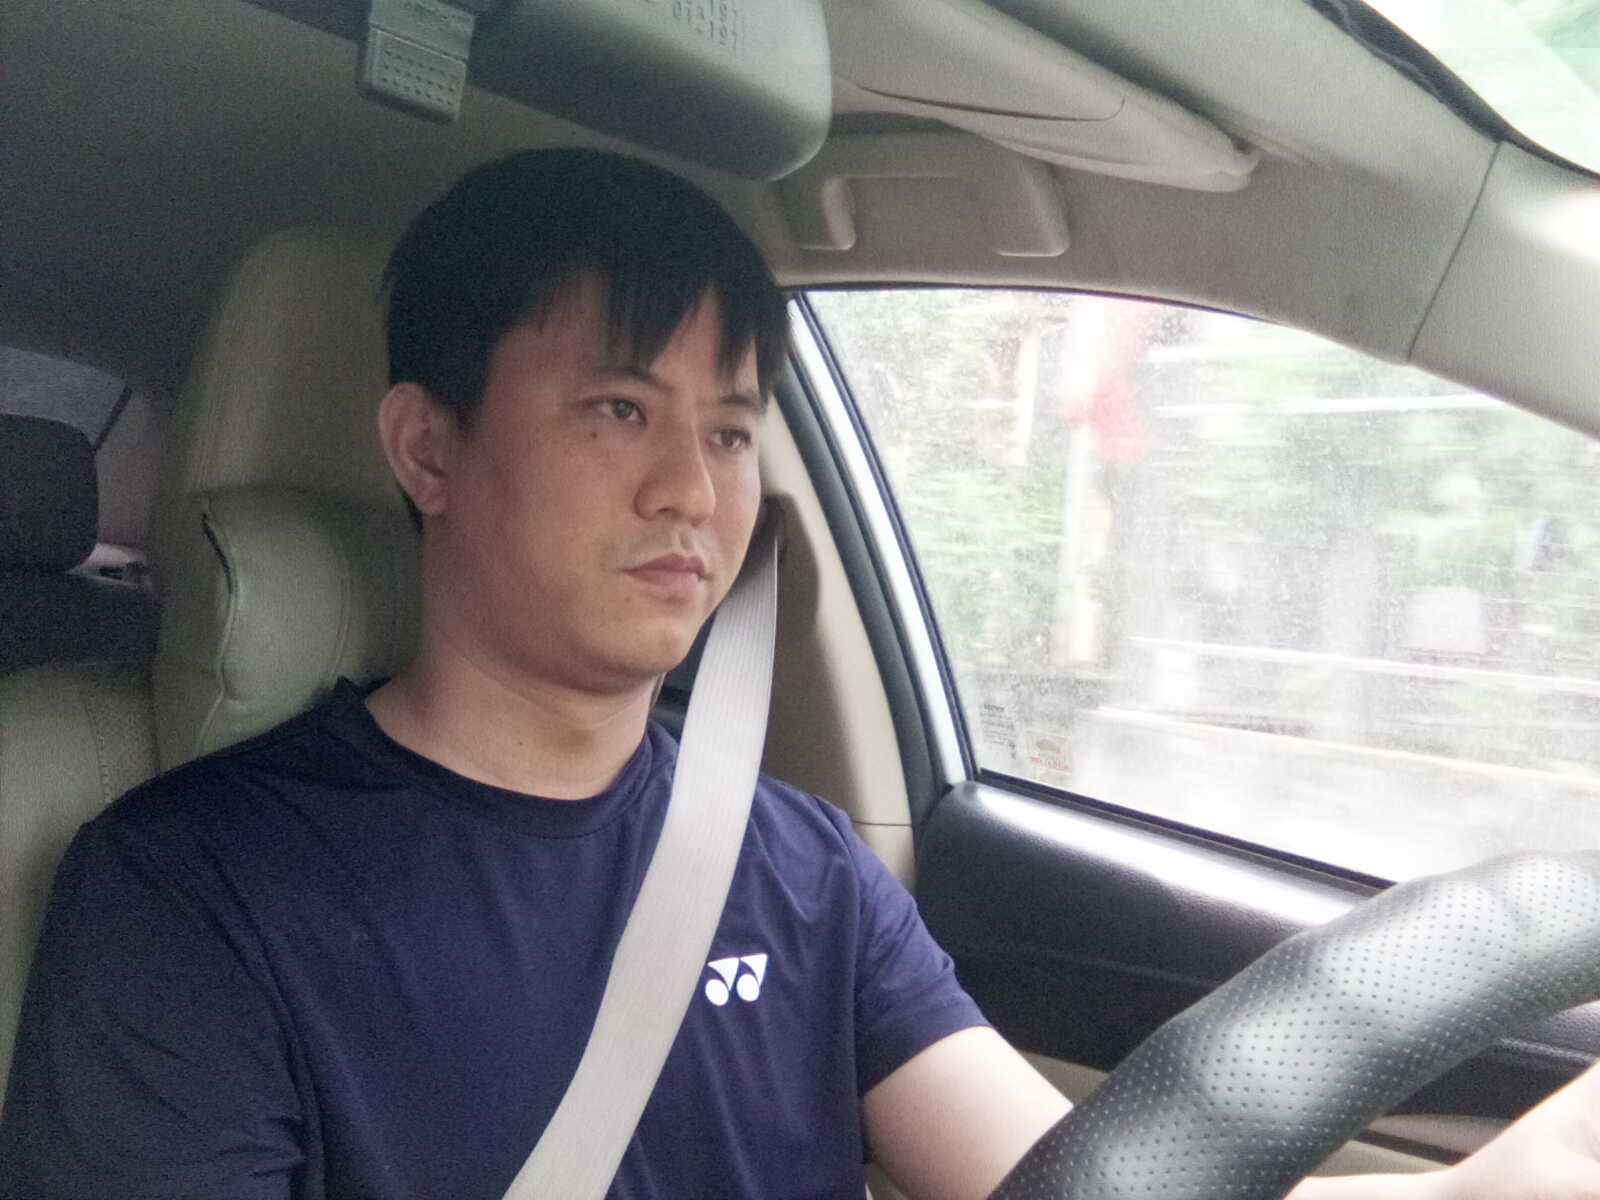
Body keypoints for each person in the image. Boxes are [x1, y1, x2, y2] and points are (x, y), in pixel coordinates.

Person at [1, 147, 1597, 1200]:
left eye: (729, 430)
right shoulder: (189, 895)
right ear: (428, 448)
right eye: (620, 410)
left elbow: (1086, 1179)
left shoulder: (800, 868)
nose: (692, 490)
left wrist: (1501, 1182)